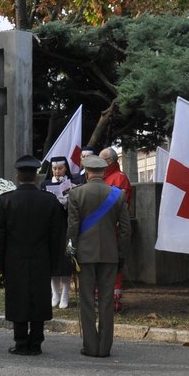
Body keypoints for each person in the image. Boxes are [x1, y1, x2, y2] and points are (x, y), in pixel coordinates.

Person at [0, 155, 66, 356]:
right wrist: (56, 262)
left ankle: (20, 342)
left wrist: (0, 263)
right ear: (36, 177)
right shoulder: (49, 201)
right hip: (41, 257)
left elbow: (0, 237)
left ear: (18, 176)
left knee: (18, 298)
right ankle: (36, 342)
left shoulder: (5, 200)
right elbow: (56, 235)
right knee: (39, 297)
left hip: (14, 258)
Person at [67, 152, 132, 358]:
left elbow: (73, 229)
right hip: (110, 254)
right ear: (104, 172)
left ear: (87, 173)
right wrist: (121, 254)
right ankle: (105, 348)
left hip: (85, 255)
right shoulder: (118, 194)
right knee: (106, 301)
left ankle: (90, 346)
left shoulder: (76, 194)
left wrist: (71, 252)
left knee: (86, 301)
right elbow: (125, 230)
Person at [100, 146, 134, 312]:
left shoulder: (119, 179)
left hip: (113, 230)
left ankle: (114, 301)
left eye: (101, 159)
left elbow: (120, 207)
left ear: (110, 161)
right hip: (101, 230)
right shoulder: (103, 177)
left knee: (113, 266)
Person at [41, 156, 77, 308]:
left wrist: (68, 202)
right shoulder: (45, 184)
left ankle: (65, 295)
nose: (56, 171)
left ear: (66, 168)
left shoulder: (72, 185)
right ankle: (54, 294)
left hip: (67, 227)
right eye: (54, 168)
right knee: (53, 263)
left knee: (66, 263)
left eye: (60, 168)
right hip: (51, 228)